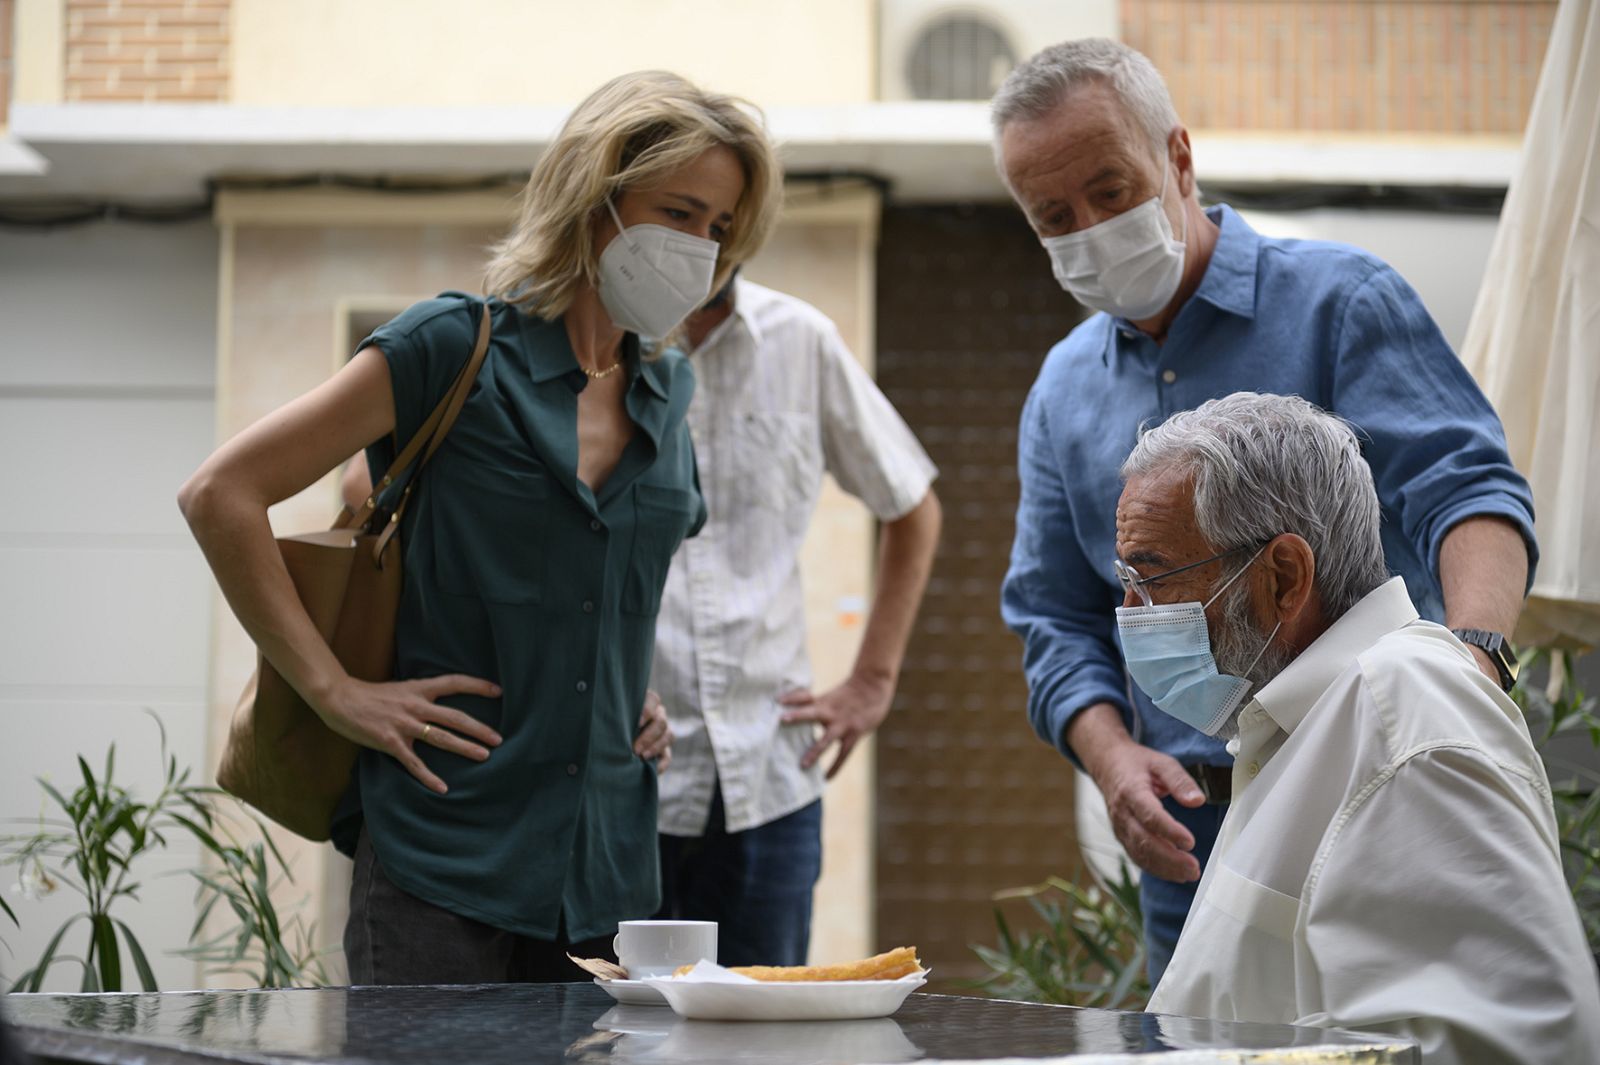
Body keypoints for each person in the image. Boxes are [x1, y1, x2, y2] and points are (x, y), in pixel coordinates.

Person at [178, 70, 782, 984]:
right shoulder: (451, 348)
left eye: (720, 228)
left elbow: (612, 583)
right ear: (596, 198)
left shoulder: (670, 392)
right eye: (681, 212)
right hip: (439, 860)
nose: (701, 247)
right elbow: (220, 493)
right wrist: (334, 688)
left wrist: (630, 691)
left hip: (604, 879)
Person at [992, 38, 1537, 982]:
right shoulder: (1061, 390)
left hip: (1369, 789)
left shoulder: (1340, 302)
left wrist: (1474, 660)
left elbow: (1469, 492)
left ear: (1179, 157)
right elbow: (1054, 615)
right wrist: (1114, 757)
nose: (1087, 227)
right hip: (1189, 836)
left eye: (1112, 190)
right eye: (1053, 215)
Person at [1117, 392, 1600, 1064]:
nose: (1130, 613)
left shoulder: (1407, 720)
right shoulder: (1307, 725)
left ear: (1283, 576)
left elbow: (1498, 1045)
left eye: (1150, 580)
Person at [650, 271, 941, 966]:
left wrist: (873, 678)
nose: (707, 239)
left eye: (726, 217)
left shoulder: (801, 340)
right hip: (623, 778)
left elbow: (912, 505)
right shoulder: (597, 341)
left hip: (770, 774)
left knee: (766, 1033)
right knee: (616, 1034)